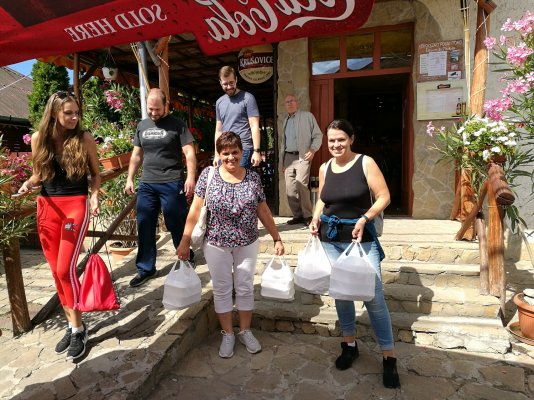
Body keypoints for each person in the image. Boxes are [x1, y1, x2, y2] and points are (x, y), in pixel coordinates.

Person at [309, 119, 400, 389]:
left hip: (362, 240)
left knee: (374, 298)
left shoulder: (365, 163)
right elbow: (323, 199)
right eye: (332, 140)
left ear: (351, 139)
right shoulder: (325, 167)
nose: (336, 145)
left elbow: (384, 196)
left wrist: (364, 218)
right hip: (330, 238)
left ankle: (389, 357)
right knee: (342, 294)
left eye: (341, 139)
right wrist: (315, 218)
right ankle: (349, 345)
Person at [176, 131, 284, 358]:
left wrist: (276, 237)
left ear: (242, 152)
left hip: (247, 242)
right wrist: (185, 241)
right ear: (219, 154)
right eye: (225, 153)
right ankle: (228, 334)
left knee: (244, 286)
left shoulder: (253, 178)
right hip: (216, 243)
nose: (230, 157)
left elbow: (263, 210)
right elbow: (195, 210)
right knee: (222, 288)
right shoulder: (208, 176)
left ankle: (245, 331)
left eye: (235, 152)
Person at [18, 91, 100, 361]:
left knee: (65, 270)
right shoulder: (39, 139)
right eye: (68, 113)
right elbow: (38, 174)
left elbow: (95, 174)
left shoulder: (84, 138)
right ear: (54, 113)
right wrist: (28, 183)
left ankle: (79, 329)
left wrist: (95, 196)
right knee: (56, 272)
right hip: (47, 208)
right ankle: (72, 324)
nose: (75, 117)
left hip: (75, 207)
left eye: (77, 112)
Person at [125, 88, 197, 287]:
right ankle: (146, 268)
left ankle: (186, 256)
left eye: (157, 109)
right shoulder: (142, 125)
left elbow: (189, 153)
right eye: (150, 109)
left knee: (175, 221)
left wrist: (191, 178)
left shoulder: (177, 124)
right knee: (144, 223)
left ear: (166, 105)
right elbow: (136, 155)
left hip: (171, 181)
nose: (154, 113)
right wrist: (130, 178)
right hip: (147, 183)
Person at [280, 94, 323, 226]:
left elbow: (318, 135)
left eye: (291, 101)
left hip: (302, 156)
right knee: (290, 188)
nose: (289, 103)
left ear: (296, 102)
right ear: (285, 105)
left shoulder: (307, 116)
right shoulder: (285, 121)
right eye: (287, 102)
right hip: (288, 157)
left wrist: (313, 150)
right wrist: (282, 162)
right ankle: (297, 215)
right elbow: (283, 143)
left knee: (301, 184)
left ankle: (308, 215)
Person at [214, 66, 261, 169]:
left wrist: (256, 151)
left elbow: (254, 126)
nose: (229, 87)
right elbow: (218, 131)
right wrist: (217, 154)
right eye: (225, 84)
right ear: (220, 83)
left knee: (238, 178)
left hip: (243, 149)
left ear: (236, 79)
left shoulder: (248, 98)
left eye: (231, 83)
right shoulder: (219, 102)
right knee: (225, 179)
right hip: (224, 150)